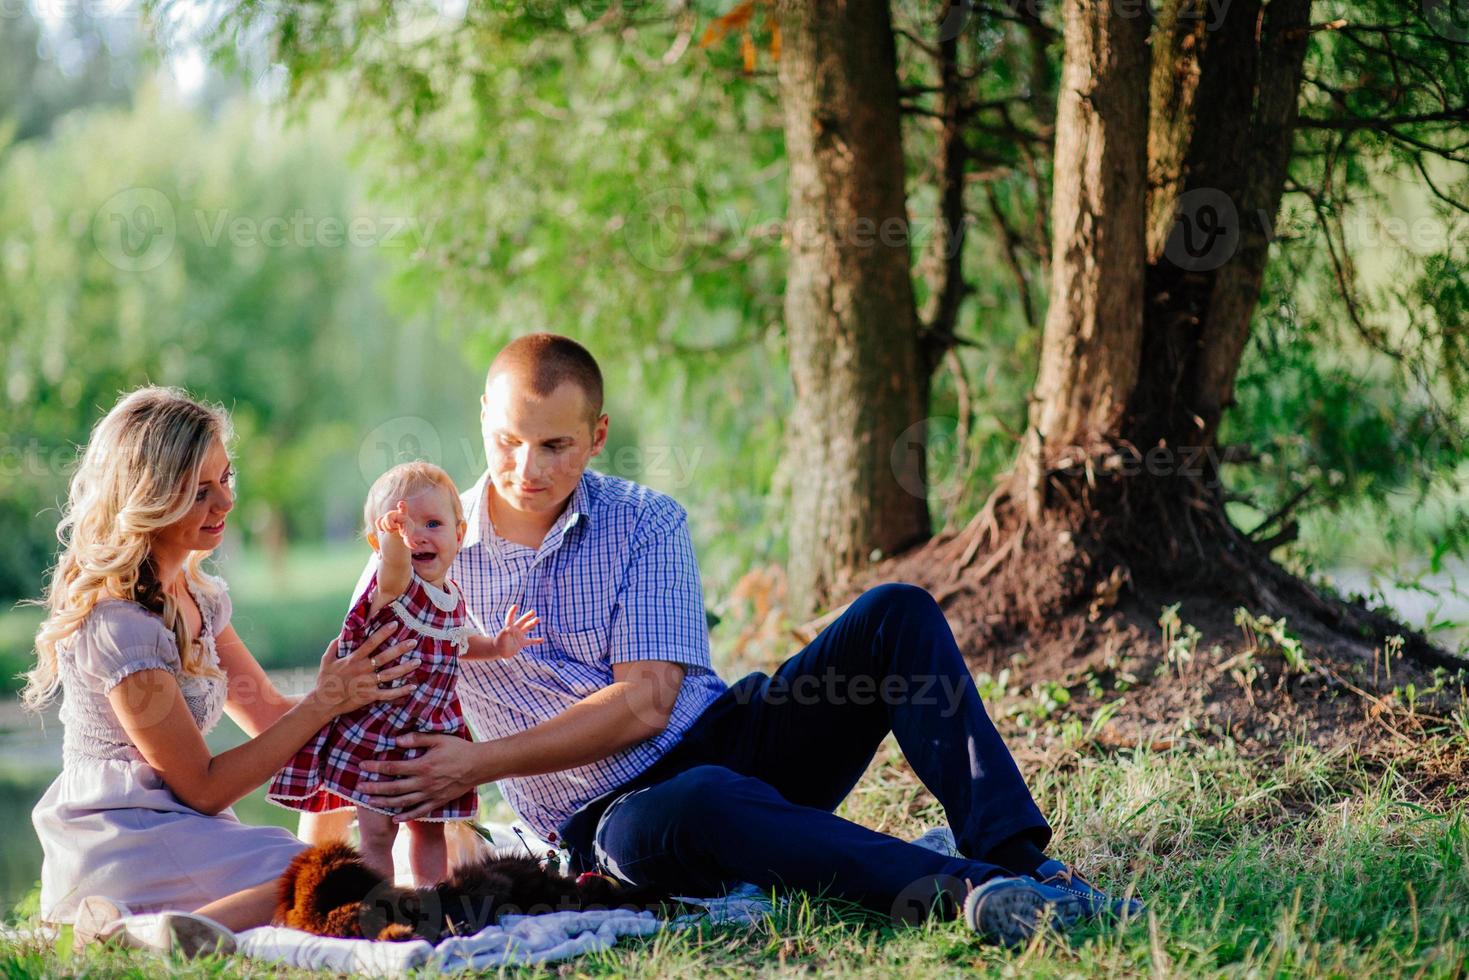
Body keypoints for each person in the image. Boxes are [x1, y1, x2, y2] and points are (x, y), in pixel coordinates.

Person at [307, 334, 1144, 945]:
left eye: (556, 445)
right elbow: (357, 698)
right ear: (481, 423)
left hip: (734, 738)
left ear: (596, 437)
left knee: (895, 610)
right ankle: (977, 894)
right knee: (697, 802)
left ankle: (1023, 861)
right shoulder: (419, 549)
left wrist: (477, 764)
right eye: (507, 441)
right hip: (620, 819)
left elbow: (646, 704)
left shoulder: (644, 521)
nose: (527, 467)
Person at [25, 387, 419, 952]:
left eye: (226, 480)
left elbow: (271, 718)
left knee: (338, 874)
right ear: (150, 497)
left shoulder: (197, 597)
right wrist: (325, 701)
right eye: (200, 491)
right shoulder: (119, 625)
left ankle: (177, 928)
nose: (226, 502)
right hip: (119, 834)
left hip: (175, 822)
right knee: (328, 878)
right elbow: (205, 788)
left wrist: (377, 729)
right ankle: (130, 932)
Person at [266, 462, 542, 885]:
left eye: (433, 523)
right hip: (378, 734)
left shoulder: (451, 598)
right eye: (401, 526)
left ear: (459, 533)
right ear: (379, 542)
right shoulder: (394, 586)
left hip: (432, 732)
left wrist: (500, 646)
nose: (418, 536)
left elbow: (461, 641)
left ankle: (432, 897)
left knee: (430, 830)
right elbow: (395, 565)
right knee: (377, 833)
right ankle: (382, 902)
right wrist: (395, 540)